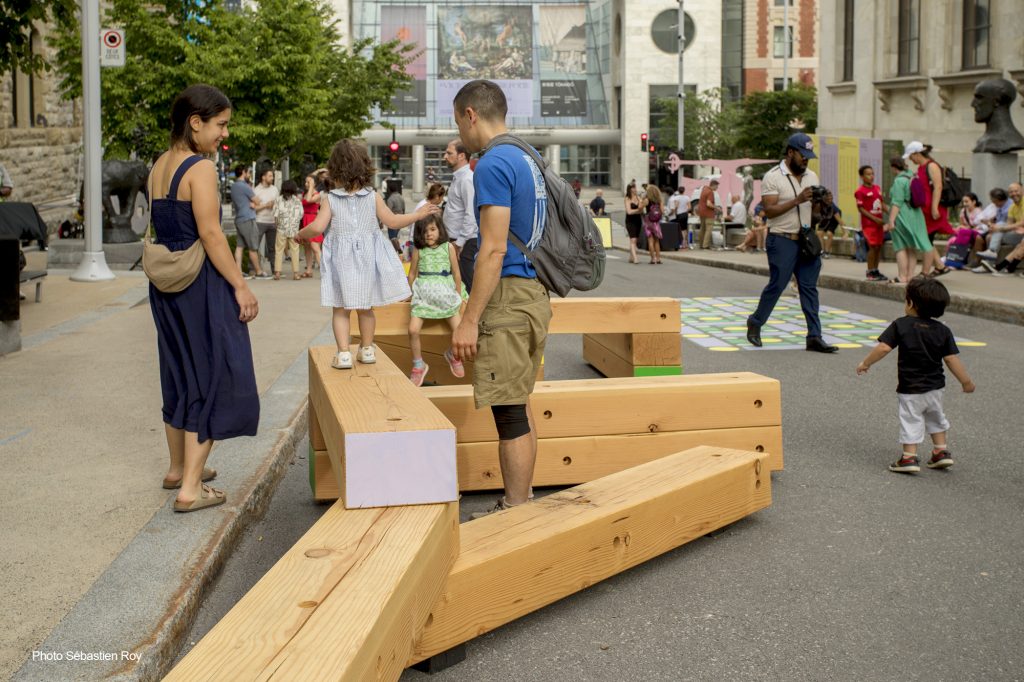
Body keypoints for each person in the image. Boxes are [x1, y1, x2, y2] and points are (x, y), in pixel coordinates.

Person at [147, 84, 259, 512]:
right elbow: (211, 234)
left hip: (166, 286)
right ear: (196, 123)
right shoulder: (202, 169)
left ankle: (177, 467)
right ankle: (191, 488)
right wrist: (240, 285)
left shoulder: (159, 165)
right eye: (220, 125)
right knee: (214, 375)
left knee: (176, 372)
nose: (223, 135)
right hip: (201, 286)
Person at [449, 79, 553, 516]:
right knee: (520, 404)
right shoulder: (529, 158)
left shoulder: (492, 164)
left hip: (507, 297)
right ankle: (521, 502)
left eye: (458, 122)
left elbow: (493, 249)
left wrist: (469, 318)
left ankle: (514, 508)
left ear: (471, 114)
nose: (461, 133)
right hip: (534, 293)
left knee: (509, 413)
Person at [296, 139, 439, 370]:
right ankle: (367, 349)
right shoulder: (373, 196)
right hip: (366, 260)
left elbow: (318, 228)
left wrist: (301, 233)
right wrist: (417, 215)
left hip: (341, 261)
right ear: (364, 167)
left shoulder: (330, 199)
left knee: (340, 309)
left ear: (335, 169)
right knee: (366, 307)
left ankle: (343, 354)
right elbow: (392, 220)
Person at [856, 276, 975, 474]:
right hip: (936, 387)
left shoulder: (901, 325)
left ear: (910, 303)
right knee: (936, 417)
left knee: (911, 419)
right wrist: (966, 382)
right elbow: (951, 359)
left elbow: (884, 348)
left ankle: (908, 458)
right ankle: (941, 452)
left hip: (910, 388)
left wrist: (865, 363)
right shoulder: (943, 330)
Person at [746, 133, 837, 354]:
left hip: (806, 240)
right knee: (777, 285)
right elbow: (769, 211)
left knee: (809, 289)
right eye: (802, 155)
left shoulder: (812, 177)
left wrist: (824, 205)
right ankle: (755, 322)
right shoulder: (773, 176)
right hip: (782, 239)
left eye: (808, 156)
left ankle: (814, 337)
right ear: (790, 153)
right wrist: (797, 199)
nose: (806, 160)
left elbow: (814, 217)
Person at [406, 214, 468, 386]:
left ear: (440, 230)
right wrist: (411, 293)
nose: (429, 234)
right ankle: (418, 365)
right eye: (424, 231)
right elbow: (412, 273)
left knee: (459, 329)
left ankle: (453, 355)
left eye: (432, 229)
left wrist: (458, 294)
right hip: (424, 295)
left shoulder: (448, 247)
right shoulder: (419, 249)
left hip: (446, 294)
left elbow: (456, 273)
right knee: (412, 330)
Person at [903, 141, 952, 276]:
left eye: (911, 156)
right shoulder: (922, 167)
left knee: (926, 240)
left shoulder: (931, 166)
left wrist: (934, 207)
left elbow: (938, 187)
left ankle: (925, 272)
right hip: (925, 209)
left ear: (916, 153)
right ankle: (940, 266)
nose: (911, 159)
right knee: (926, 239)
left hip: (932, 208)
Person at [885, 156, 932, 284]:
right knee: (912, 247)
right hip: (916, 214)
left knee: (900, 247)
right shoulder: (912, 176)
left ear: (894, 168)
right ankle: (911, 275)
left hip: (903, 214)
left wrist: (891, 220)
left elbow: (897, 202)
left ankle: (902, 276)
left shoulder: (899, 181)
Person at [443, 138, 477, 291]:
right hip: (457, 241)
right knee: (457, 286)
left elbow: (471, 215)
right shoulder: (459, 178)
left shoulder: (467, 180)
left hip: (464, 242)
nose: (445, 156)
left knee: (466, 286)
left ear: (461, 156)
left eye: (449, 153)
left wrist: (459, 243)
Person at [229, 166, 267, 279]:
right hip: (248, 218)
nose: (249, 175)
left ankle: (238, 271)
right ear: (244, 173)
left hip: (239, 219)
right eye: (248, 172)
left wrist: (252, 203)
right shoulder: (244, 186)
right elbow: (257, 200)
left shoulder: (234, 186)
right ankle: (259, 271)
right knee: (253, 247)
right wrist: (254, 203)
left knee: (240, 246)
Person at [854, 165, 888, 281]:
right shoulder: (860, 191)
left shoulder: (877, 188)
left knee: (878, 247)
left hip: (879, 224)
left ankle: (875, 270)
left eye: (872, 173)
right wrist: (875, 219)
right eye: (868, 174)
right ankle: (870, 272)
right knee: (872, 247)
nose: (871, 176)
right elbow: (861, 209)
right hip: (869, 224)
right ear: (862, 176)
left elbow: (882, 204)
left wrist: (891, 212)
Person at [978, 181, 1024, 260]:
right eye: (1011, 192)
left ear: (1022, 190)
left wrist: (999, 228)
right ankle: (989, 260)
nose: (1014, 194)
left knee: (997, 230)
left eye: (1016, 191)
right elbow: (1009, 224)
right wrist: (995, 227)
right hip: (1017, 233)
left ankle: (991, 256)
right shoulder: (1012, 207)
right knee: (992, 235)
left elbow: (1022, 223)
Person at [272, 179, 303, 280]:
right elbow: (301, 214)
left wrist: (278, 225)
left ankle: (277, 272)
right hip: (294, 230)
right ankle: (296, 273)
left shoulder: (278, 199)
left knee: (279, 250)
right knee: (295, 251)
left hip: (281, 229)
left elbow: (275, 215)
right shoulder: (297, 200)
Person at [252, 167, 279, 275]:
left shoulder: (275, 189)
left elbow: (278, 204)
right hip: (260, 221)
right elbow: (254, 208)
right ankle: (253, 269)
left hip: (272, 222)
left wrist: (275, 206)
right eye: (270, 176)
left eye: (272, 176)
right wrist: (266, 205)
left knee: (273, 248)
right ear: (263, 177)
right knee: (255, 246)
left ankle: (275, 270)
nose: (272, 178)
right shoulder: (256, 190)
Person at [299, 174, 322, 278]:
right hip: (305, 220)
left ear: (314, 183)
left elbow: (308, 200)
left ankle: (324, 271)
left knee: (315, 247)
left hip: (312, 220)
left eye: (309, 182)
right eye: (306, 182)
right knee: (307, 247)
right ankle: (309, 270)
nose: (306, 184)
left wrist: (312, 187)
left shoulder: (317, 194)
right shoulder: (305, 193)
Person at [814, 189, 841, 259]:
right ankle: (822, 251)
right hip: (825, 220)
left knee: (829, 233)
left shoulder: (834, 208)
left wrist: (845, 232)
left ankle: (827, 252)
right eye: (828, 197)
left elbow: (840, 221)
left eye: (831, 197)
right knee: (819, 233)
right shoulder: (820, 205)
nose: (830, 198)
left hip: (833, 221)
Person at [642, 185, 664, 264]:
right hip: (656, 222)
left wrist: (643, 198)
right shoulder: (659, 200)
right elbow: (662, 211)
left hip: (648, 221)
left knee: (650, 241)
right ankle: (658, 259)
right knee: (657, 241)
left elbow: (640, 207)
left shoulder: (647, 200)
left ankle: (653, 259)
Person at [696, 179, 719, 250]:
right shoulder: (710, 192)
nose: (717, 188)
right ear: (713, 185)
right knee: (708, 229)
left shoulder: (704, 190)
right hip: (708, 213)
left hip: (701, 212)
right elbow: (708, 203)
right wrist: (716, 208)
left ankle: (701, 244)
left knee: (702, 229)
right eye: (717, 186)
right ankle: (705, 245)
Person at [624, 184, 643, 263]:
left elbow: (641, 210)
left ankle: (631, 257)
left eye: (635, 187)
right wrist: (638, 210)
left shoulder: (639, 198)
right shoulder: (627, 199)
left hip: (638, 220)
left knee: (635, 240)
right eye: (633, 188)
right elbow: (629, 212)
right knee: (633, 239)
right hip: (630, 221)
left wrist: (640, 208)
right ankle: (635, 258)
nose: (635, 189)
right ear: (630, 189)